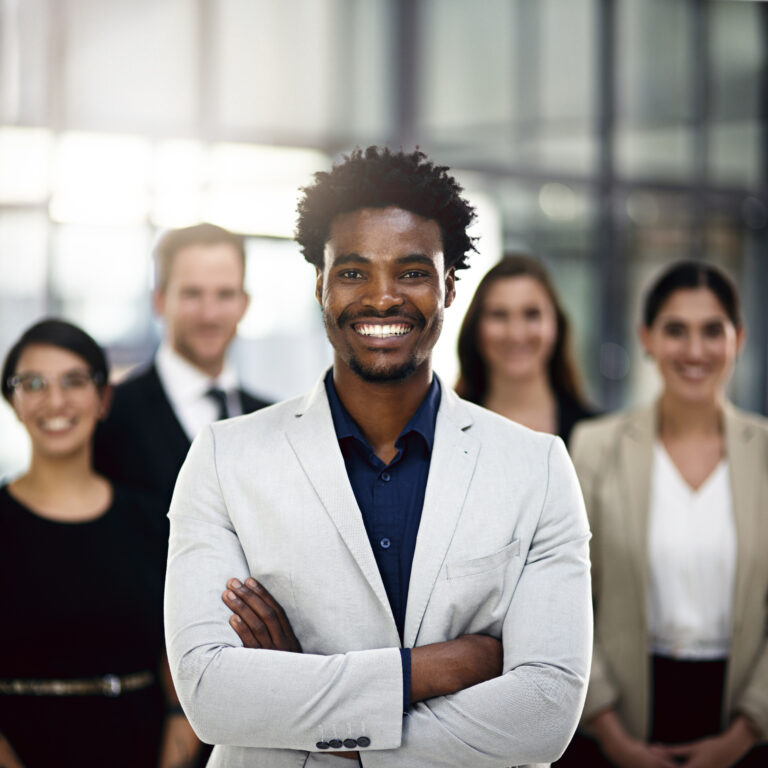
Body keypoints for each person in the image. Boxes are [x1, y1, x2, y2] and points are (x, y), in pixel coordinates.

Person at [164, 146, 593, 767]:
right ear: (321, 285)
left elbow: (546, 710)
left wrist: (309, 712)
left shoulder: (538, 467)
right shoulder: (225, 458)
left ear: (449, 287)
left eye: (413, 272)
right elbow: (210, 694)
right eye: (354, 272)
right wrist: (440, 666)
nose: (383, 297)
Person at [561, 261, 768, 767]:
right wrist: (613, 738)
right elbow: (567, 601)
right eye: (676, 330)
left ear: (737, 338)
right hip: (618, 719)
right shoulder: (594, 447)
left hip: (745, 721)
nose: (694, 351)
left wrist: (741, 737)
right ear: (647, 338)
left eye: (711, 331)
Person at [0, 319, 194, 768]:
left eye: (74, 381)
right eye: (33, 383)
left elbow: (180, 667)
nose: (56, 401)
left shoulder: (154, 521)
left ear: (104, 398)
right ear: (14, 401)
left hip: (141, 748)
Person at [94, 222, 270, 508]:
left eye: (224, 294)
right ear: (160, 301)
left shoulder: (272, 422)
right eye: (192, 294)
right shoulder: (109, 416)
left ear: (244, 303)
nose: (209, 314)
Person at [456, 254, 595, 445]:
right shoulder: (446, 429)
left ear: (556, 324)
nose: (516, 334)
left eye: (531, 315)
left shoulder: (596, 434)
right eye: (499, 315)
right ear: (475, 327)